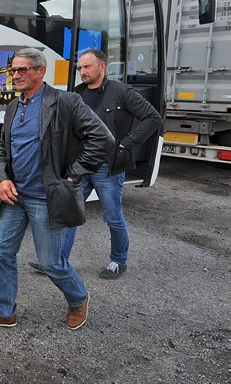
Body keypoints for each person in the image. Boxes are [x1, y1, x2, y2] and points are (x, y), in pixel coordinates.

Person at [0, 48, 114, 331]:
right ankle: (4, 312)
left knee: (50, 262)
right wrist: (2, 178)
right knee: (1, 253)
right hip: (14, 197)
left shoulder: (65, 102)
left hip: (45, 198)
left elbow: (102, 138)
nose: (16, 75)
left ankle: (78, 298)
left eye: (23, 70)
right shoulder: (14, 106)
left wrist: (74, 174)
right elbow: (3, 148)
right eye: (14, 70)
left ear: (40, 71)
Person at [30, 48, 161, 279]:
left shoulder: (122, 92)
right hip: (81, 165)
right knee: (68, 214)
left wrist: (125, 145)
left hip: (107, 167)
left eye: (86, 67)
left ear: (102, 66)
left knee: (112, 216)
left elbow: (153, 118)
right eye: (80, 68)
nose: (82, 72)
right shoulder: (76, 94)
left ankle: (118, 261)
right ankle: (57, 262)